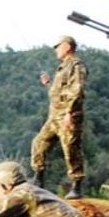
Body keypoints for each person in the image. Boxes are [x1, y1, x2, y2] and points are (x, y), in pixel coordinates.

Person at [31, 35, 87, 199]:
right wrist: (48, 83)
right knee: (39, 143)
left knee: (71, 149)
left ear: (68, 46)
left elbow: (77, 91)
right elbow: (58, 93)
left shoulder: (76, 65)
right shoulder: (63, 67)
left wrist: (70, 113)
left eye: (58, 46)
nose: (55, 49)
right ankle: (38, 179)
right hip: (55, 116)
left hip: (67, 116)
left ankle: (76, 186)